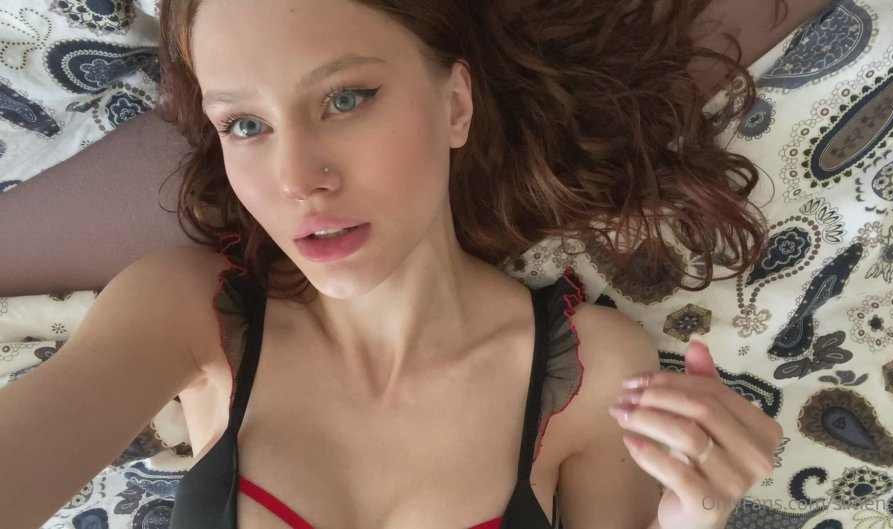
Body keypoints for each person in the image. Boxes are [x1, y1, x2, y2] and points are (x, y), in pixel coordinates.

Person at [0, 0, 786, 528]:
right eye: (244, 124)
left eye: (345, 99)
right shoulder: (187, 311)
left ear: (455, 105)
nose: (297, 179)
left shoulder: (594, 375)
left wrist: (692, 518)